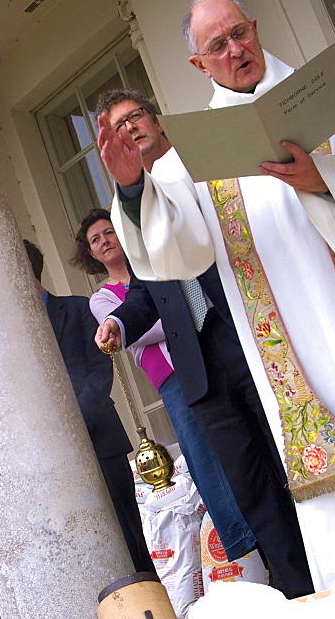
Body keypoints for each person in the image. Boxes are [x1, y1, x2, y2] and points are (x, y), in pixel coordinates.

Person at [97, 0, 335, 592]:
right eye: (217, 44)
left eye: (239, 32)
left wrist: (328, 177)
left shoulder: (326, 102)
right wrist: (135, 189)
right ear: (199, 66)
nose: (235, 48)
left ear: (255, 28)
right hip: (296, 353)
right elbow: (175, 253)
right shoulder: (192, 153)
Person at [91, 92, 314, 599]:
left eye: (135, 117)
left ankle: (334, 562)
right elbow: (148, 290)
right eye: (117, 127)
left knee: (292, 462)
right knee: (252, 488)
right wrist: (120, 325)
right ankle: (302, 594)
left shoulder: (203, 170)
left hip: (252, 341)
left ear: (157, 118)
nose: (130, 130)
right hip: (197, 367)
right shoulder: (130, 208)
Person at [71, 205, 257, 565]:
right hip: (172, 379)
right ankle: (239, 538)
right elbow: (144, 330)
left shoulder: (153, 268)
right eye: (96, 240)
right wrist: (179, 307)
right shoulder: (103, 298)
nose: (105, 241)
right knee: (202, 454)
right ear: (91, 253)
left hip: (210, 359)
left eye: (109, 232)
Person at [23, 239, 154, 574]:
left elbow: (99, 370)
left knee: (129, 533)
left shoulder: (80, 308)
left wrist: (73, 424)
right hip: (52, 457)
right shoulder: (14, 334)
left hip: (100, 438)